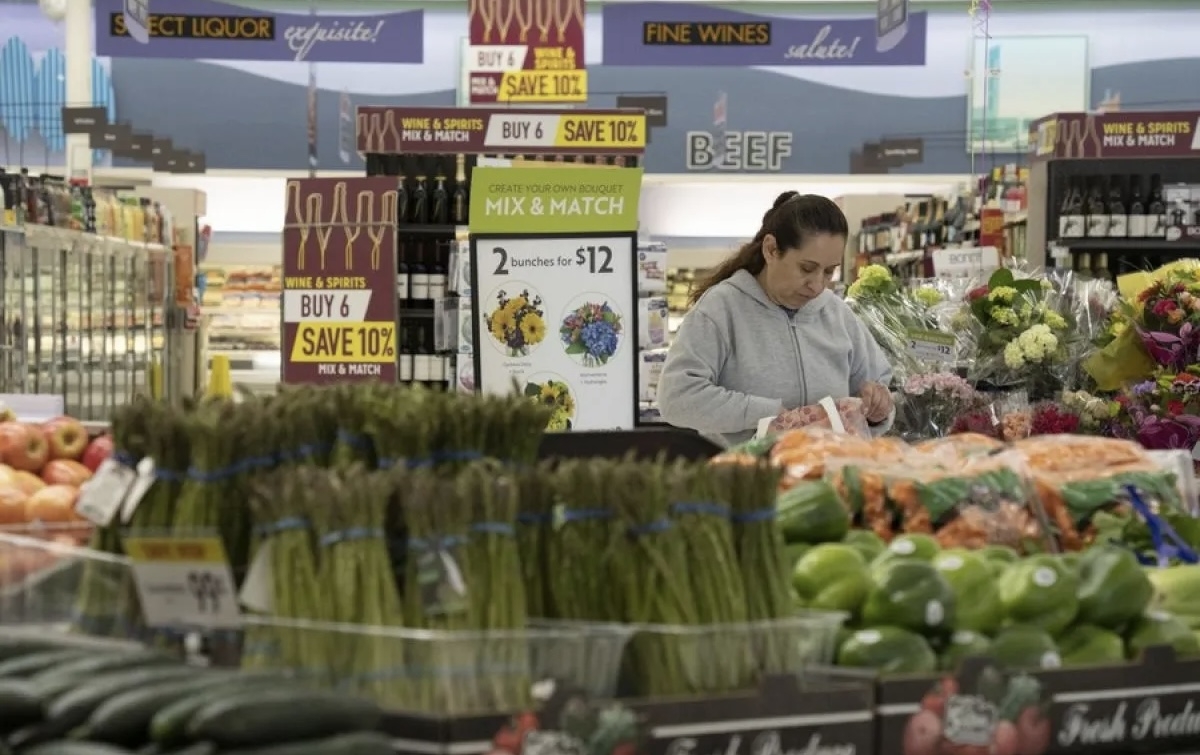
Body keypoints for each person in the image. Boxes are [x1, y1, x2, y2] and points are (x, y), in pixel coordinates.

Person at [656, 191, 894, 447]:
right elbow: (676, 398)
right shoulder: (721, 309)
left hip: (827, 476)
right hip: (747, 478)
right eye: (806, 268)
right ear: (771, 250)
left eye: (829, 271)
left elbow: (877, 389)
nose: (816, 286)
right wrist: (767, 414)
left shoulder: (838, 314)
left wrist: (879, 409)